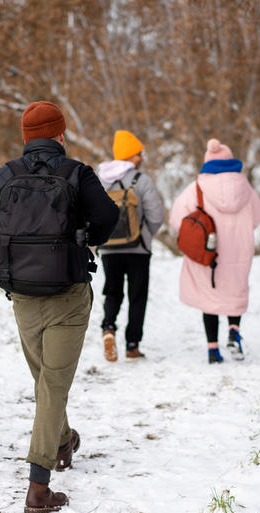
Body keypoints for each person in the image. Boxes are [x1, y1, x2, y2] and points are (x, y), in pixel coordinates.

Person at [0, 101, 117, 513]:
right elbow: (108, 216)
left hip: (23, 298)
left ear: (25, 137)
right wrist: (86, 239)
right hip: (68, 296)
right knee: (52, 384)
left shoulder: (3, 177)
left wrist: (7, 279)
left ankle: (61, 440)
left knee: (47, 381)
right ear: (60, 135)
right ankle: (38, 488)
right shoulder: (76, 173)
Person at [169, 139, 260, 364]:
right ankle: (233, 331)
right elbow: (257, 216)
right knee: (235, 292)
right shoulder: (246, 188)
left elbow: (176, 220)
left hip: (209, 253)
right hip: (240, 250)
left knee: (209, 297)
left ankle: (213, 349)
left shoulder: (197, 188)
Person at [97, 130, 165, 361]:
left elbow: (91, 213)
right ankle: (132, 345)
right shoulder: (141, 180)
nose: (141, 158)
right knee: (137, 295)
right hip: (138, 250)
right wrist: (144, 236)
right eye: (138, 154)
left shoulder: (100, 180)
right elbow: (156, 215)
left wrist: (99, 239)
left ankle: (108, 328)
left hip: (108, 248)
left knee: (112, 291)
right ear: (128, 156)